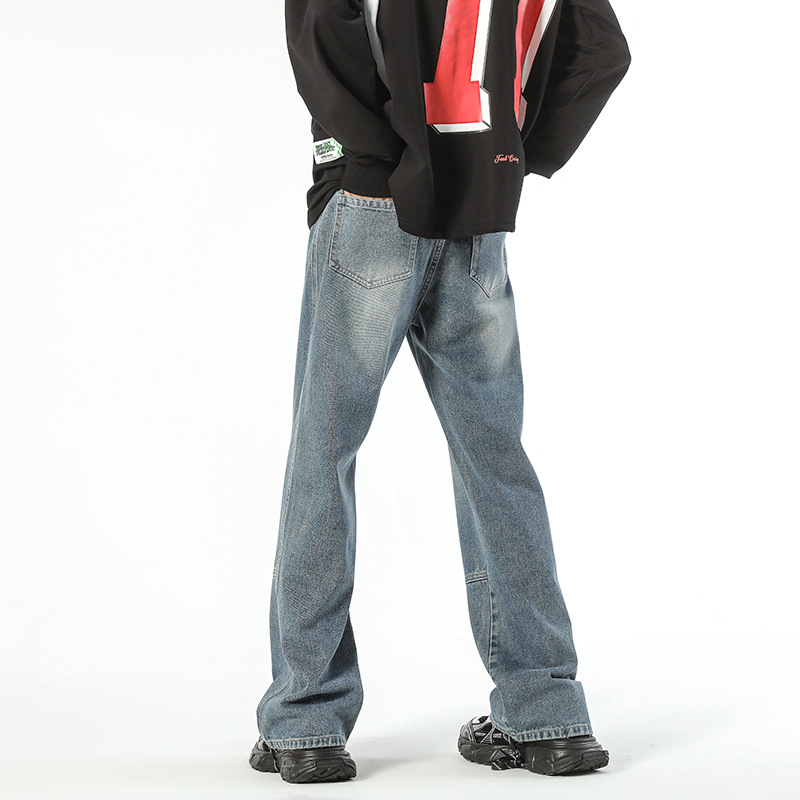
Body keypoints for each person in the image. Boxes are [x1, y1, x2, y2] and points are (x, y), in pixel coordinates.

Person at [249, 0, 630, 784]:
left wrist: (379, 160)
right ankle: (548, 713)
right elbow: (600, 50)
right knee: (496, 460)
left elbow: (323, 28)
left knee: (325, 453)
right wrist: (509, 159)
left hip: (372, 205)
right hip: (479, 210)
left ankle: (306, 721)